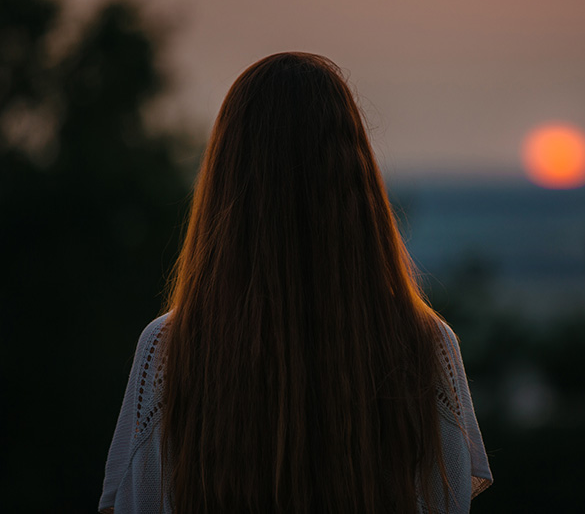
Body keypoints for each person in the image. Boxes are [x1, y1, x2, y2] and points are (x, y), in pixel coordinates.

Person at [99, 52, 492, 513]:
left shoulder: (171, 347)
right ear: (355, 178)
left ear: (227, 176)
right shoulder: (425, 343)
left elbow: (137, 502)